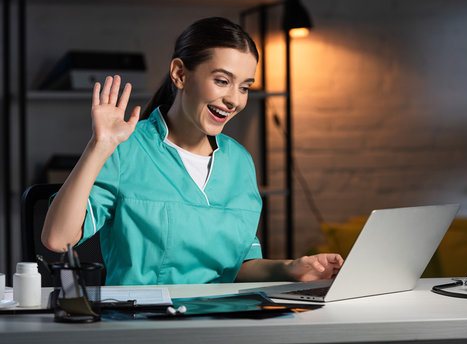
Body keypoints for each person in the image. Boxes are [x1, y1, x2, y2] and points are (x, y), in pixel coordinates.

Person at [41, 17, 343, 286]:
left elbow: (238, 267)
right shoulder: (125, 150)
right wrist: (100, 146)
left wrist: (292, 269)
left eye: (245, 87)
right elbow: (57, 239)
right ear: (180, 74)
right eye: (222, 81)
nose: (233, 100)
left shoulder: (239, 162)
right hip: (144, 322)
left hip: (222, 318)